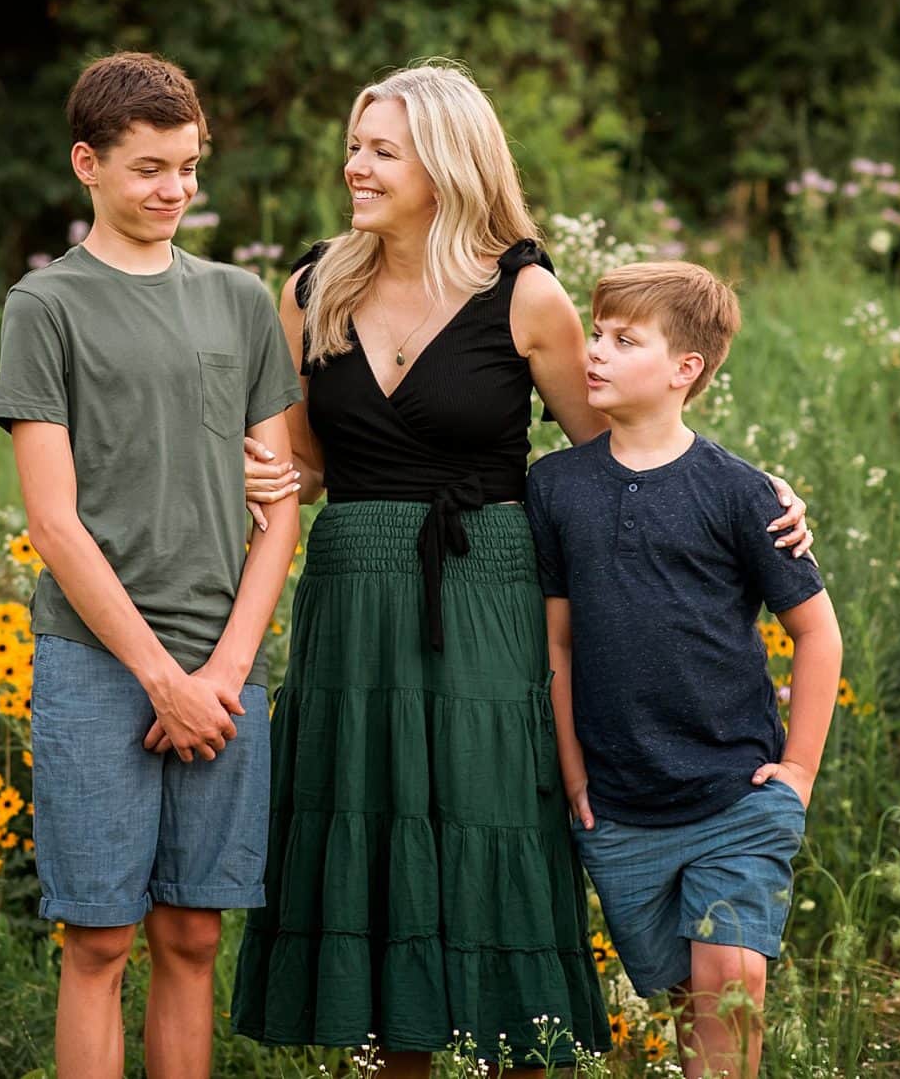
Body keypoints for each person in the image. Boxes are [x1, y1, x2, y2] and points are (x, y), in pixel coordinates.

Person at [228, 60, 815, 1075]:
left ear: (446, 164)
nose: (353, 166)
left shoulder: (527, 294)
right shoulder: (312, 286)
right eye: (353, 145)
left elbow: (618, 457)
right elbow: (303, 470)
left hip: (489, 595)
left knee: (495, 840)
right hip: (353, 596)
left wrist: (757, 493)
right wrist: (247, 467)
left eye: (380, 150)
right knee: (376, 862)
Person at [0, 52, 304, 1079]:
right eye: (149, 169)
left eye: (189, 167)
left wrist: (217, 674)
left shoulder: (238, 302)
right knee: (100, 940)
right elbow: (54, 522)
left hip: (225, 660)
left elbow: (278, 511)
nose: (175, 190)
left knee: (192, 937)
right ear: (87, 164)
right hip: (94, 660)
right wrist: (158, 678)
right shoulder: (47, 308)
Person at [529, 261, 842, 1079]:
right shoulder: (554, 487)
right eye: (596, 333)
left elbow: (818, 633)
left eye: (623, 339)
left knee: (728, 987)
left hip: (736, 792)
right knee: (681, 1004)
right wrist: (572, 773)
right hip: (620, 804)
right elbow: (555, 644)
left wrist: (798, 773)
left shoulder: (739, 491)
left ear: (685, 369)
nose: (593, 351)